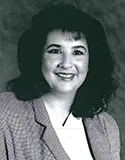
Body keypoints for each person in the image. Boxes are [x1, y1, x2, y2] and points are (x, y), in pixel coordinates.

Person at [0, 4, 120, 160]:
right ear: (38, 57)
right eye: (55, 51)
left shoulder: (106, 126)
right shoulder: (6, 113)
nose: (66, 63)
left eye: (77, 52)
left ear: (91, 62)